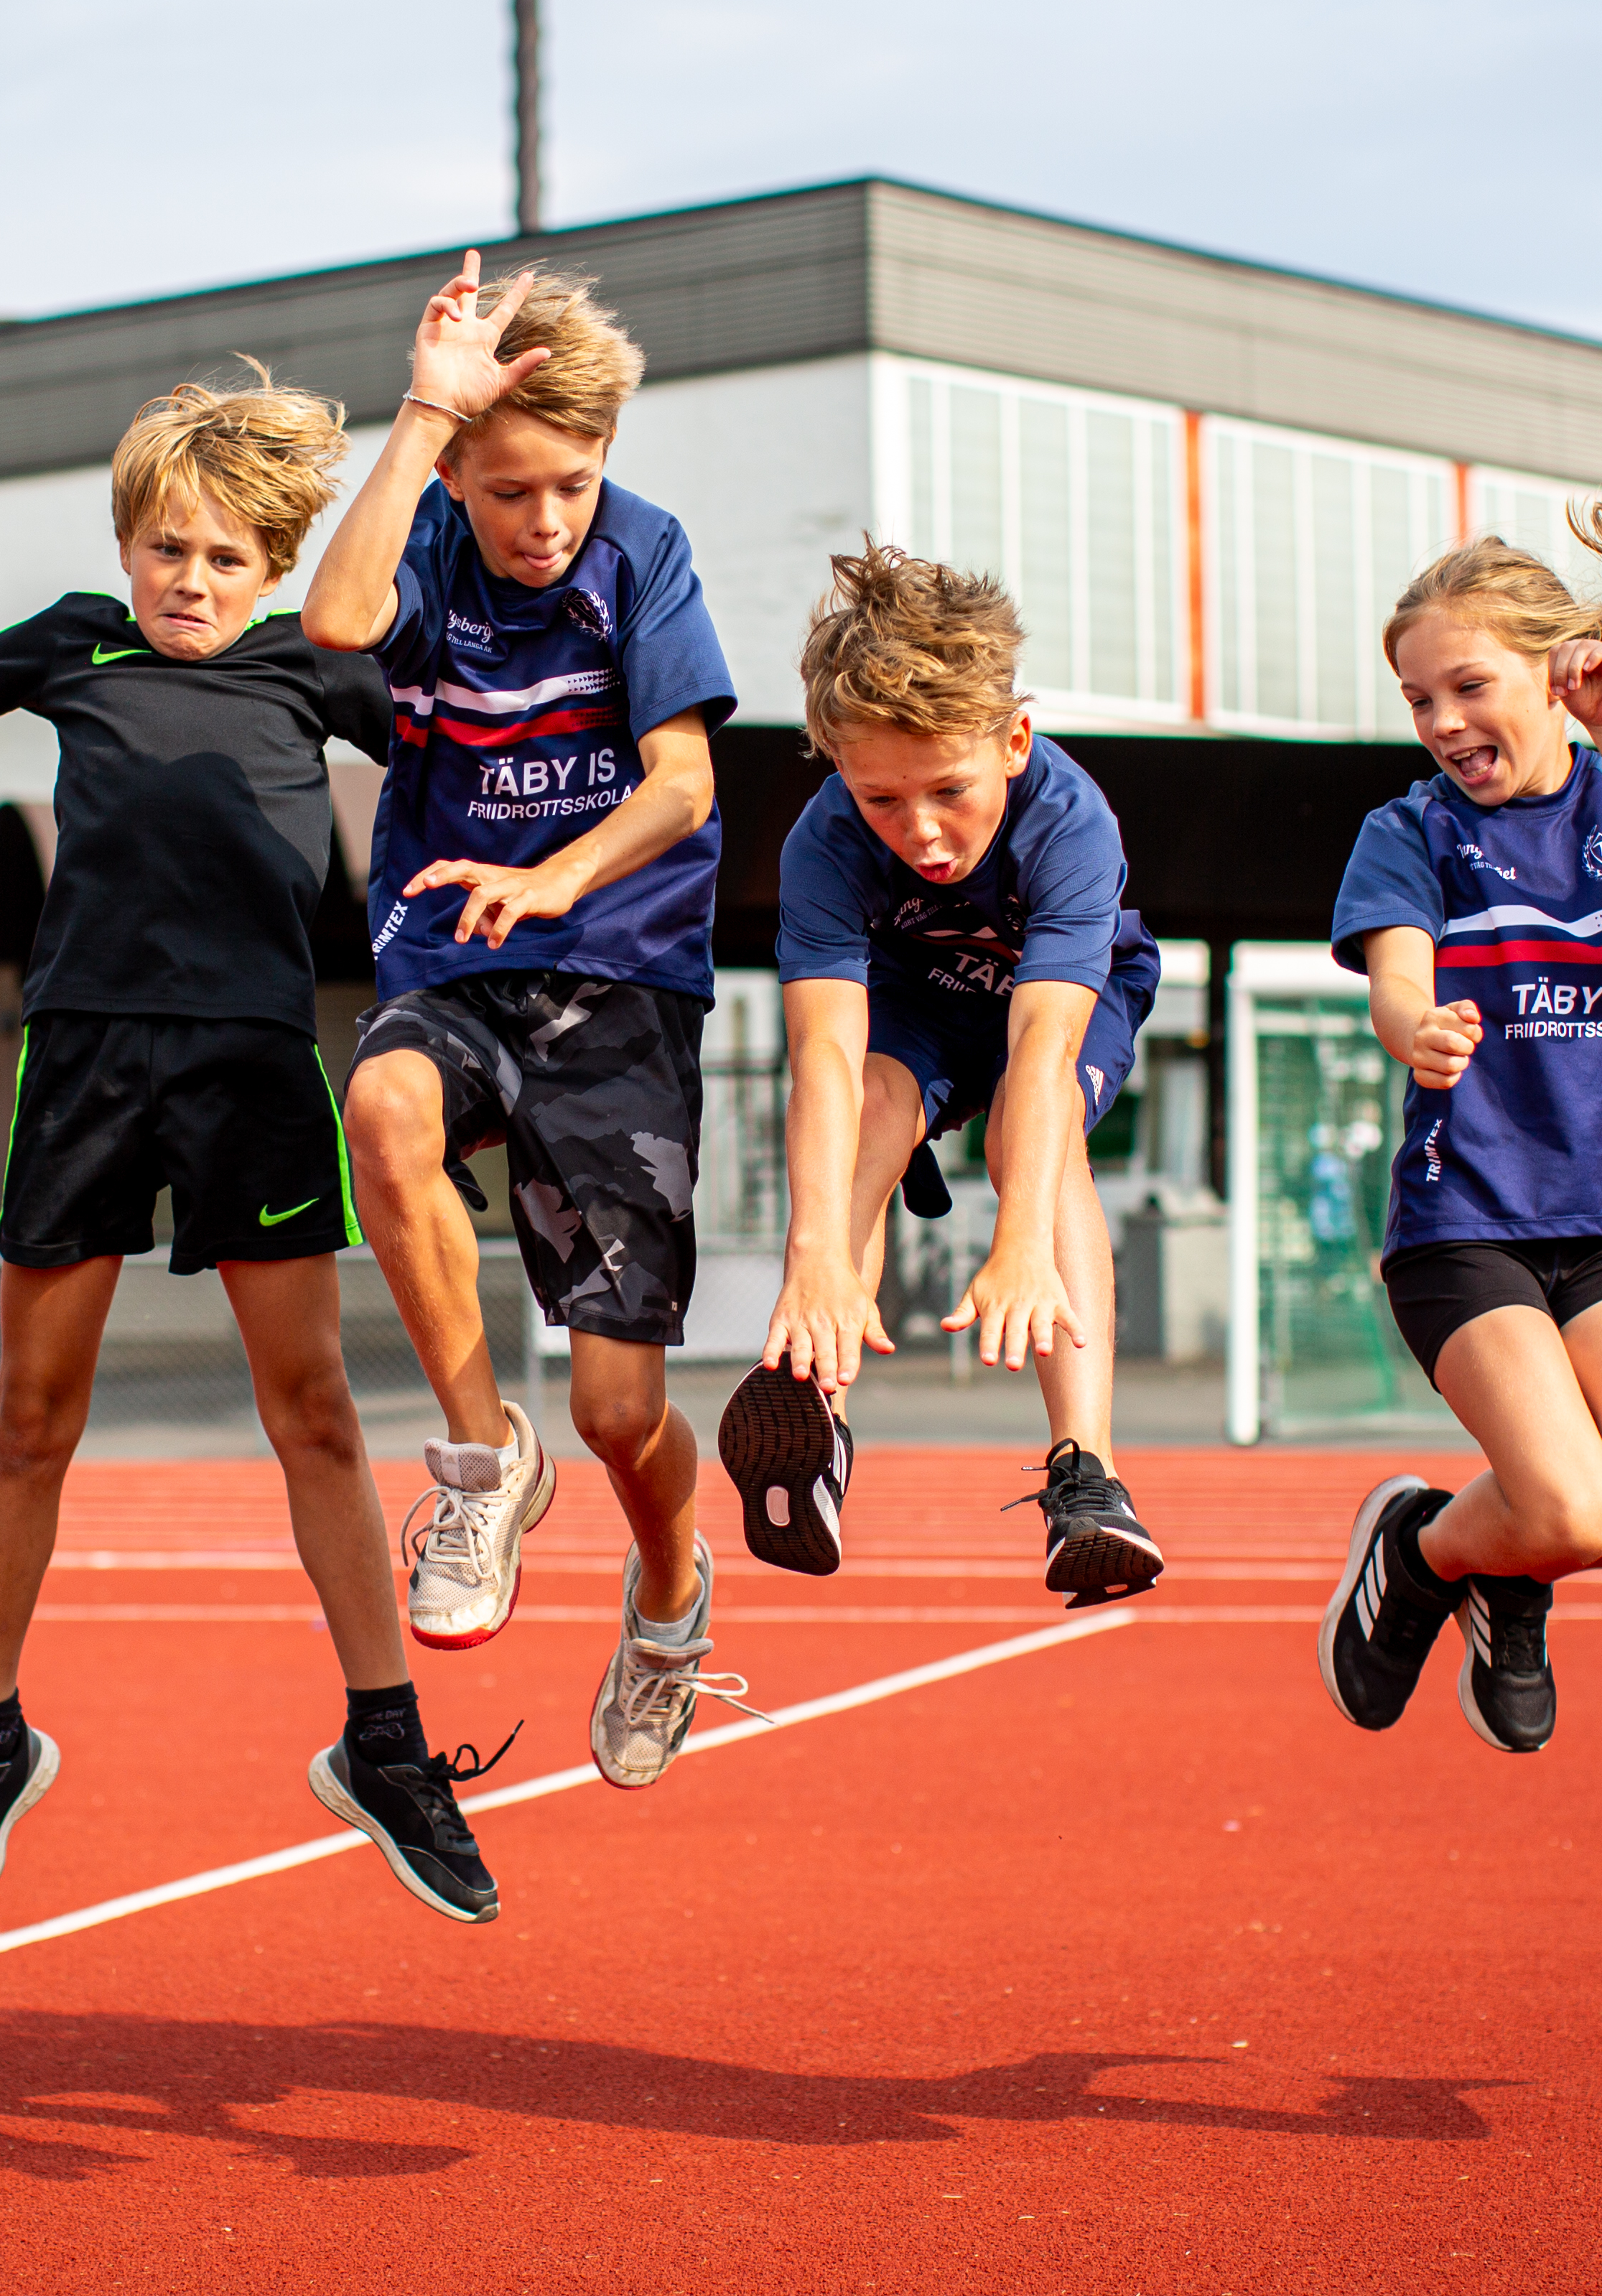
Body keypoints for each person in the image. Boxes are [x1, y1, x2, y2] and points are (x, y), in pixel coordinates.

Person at [0, 368, 511, 1920]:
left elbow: (464, 755)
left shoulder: (311, 664)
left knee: (314, 1411)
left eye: (222, 560)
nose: (190, 584)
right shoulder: (77, 638)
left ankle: (385, 1742)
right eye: (167, 552)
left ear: (274, 570)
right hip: (80, 1060)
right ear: (127, 547)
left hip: (256, 1065)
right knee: (32, 1417)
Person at [304, 252, 748, 1803]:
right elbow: (340, 614)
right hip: (452, 955)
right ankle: (485, 1459)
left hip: (616, 975)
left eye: (569, 484)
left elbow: (685, 785)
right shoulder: (428, 538)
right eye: (510, 492)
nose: (543, 520)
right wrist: (428, 413)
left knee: (624, 1413)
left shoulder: (644, 557)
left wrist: (549, 872)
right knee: (380, 1116)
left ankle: (671, 1598)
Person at [1311, 460, 1602, 1754]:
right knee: (1564, 1509)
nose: (1441, 721)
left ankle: (1473, 1566)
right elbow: (1396, 982)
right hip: (1468, 1224)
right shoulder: (1414, 831)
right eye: (1418, 699)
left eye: (1467, 687)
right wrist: (1419, 1026)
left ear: (1559, 675)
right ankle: (1434, 1545)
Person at [738, 547, 1167, 1603]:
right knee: (876, 1104)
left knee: (1045, 1114)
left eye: (949, 790)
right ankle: (819, 1415)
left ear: (1014, 740)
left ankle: (1087, 1476)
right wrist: (814, 1257)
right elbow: (828, 1059)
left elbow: (1043, 1048)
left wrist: (1018, 1241)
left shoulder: (1071, 823)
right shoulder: (825, 845)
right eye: (882, 798)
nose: (921, 831)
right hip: (918, 996)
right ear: (835, 765)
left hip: (1055, 1005)